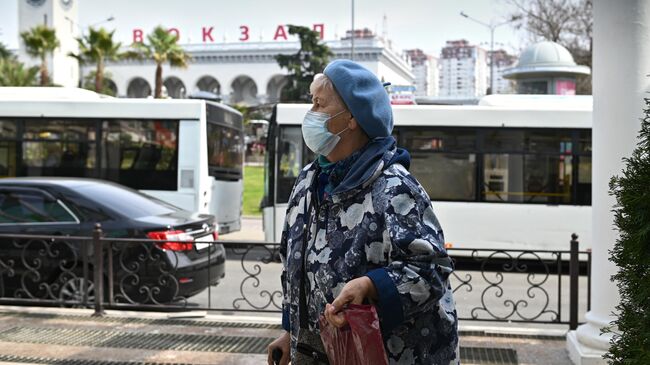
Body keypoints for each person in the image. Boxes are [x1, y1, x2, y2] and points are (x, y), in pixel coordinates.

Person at [267, 60, 459, 365]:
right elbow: (294, 266)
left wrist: (372, 286)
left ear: (351, 119)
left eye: (319, 103)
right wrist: (292, 334)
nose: (310, 114)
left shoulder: (394, 187)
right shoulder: (309, 181)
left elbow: (431, 270)